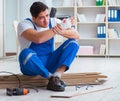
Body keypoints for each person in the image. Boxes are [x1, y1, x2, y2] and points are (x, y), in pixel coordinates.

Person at [17, 1, 79, 91]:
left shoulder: (53, 21)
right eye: (41, 18)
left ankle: (57, 76)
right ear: (33, 18)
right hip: (32, 66)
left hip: (50, 62)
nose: (46, 20)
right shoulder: (24, 24)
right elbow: (38, 38)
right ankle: (50, 78)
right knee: (25, 53)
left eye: (47, 15)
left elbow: (76, 35)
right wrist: (60, 27)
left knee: (73, 43)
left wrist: (62, 31)